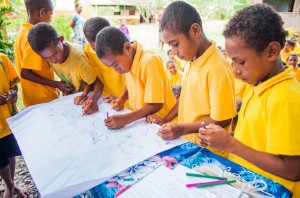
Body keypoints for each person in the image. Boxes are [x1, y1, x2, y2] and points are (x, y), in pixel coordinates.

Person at [199, 4, 300, 196]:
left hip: (271, 191)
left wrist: (230, 144)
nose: (235, 70)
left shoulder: (285, 96)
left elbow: (293, 169)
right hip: (248, 183)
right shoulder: (258, 84)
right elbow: (258, 136)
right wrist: (226, 136)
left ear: (271, 52)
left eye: (241, 62)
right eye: (232, 61)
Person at [150, 1, 236, 157]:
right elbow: (186, 97)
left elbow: (222, 119)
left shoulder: (217, 67)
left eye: (175, 44)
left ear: (195, 30)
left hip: (208, 152)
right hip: (188, 141)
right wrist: (165, 119)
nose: (174, 52)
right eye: (170, 46)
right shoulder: (191, 59)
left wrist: (182, 128)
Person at [95, 27, 175, 129]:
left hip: (160, 124)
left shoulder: (150, 62)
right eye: (112, 66)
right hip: (142, 121)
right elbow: (130, 84)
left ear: (127, 48)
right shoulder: (127, 62)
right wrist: (122, 98)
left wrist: (125, 119)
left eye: (115, 64)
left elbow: (156, 104)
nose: (116, 70)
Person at [28, 23, 103, 115]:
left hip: (87, 97)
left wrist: (92, 100)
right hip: (73, 98)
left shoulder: (79, 60)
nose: (53, 60)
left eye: (55, 53)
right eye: (47, 58)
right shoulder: (51, 53)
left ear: (61, 40)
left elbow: (97, 83)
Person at [14, 0, 68, 108]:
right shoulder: (34, 38)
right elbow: (25, 72)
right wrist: (56, 84)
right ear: (42, 12)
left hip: (32, 98)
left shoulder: (22, 32)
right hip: (43, 99)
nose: (51, 19)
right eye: (50, 14)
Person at [0, 53, 28, 198]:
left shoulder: (2, 59)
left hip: (9, 121)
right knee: (1, 160)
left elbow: (14, 86)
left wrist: (11, 94)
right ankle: (10, 185)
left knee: (10, 153)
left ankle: (11, 184)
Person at [84, 17, 126, 104]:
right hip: (105, 100)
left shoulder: (124, 53)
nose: (101, 57)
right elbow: (94, 79)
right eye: (96, 49)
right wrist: (92, 98)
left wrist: (121, 98)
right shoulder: (88, 49)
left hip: (127, 103)